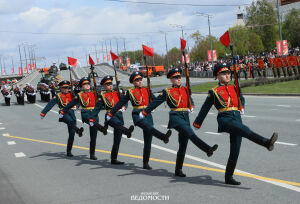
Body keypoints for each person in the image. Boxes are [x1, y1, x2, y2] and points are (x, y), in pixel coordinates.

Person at [193, 63, 278, 185]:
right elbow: (205, 108)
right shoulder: (214, 91)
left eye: (228, 73)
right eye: (223, 73)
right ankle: (266, 142)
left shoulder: (234, 87)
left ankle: (228, 177)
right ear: (217, 75)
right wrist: (197, 123)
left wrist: (241, 106)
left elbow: (241, 98)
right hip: (225, 120)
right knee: (245, 130)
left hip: (236, 118)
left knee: (235, 150)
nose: (227, 75)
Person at [139, 68, 218, 177]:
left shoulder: (185, 89)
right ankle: (207, 149)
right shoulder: (168, 91)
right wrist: (145, 112)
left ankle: (178, 169)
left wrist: (192, 106)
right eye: (175, 77)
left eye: (179, 77)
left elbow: (190, 99)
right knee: (190, 133)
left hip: (185, 117)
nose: (178, 79)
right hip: (175, 118)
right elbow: (156, 102)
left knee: (183, 144)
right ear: (171, 79)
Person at [107, 71, 171, 170]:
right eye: (137, 80)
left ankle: (146, 162)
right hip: (137, 115)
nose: (140, 81)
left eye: (140, 79)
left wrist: (153, 106)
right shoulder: (130, 92)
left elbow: (154, 100)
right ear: (133, 82)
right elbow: (120, 103)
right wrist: (111, 113)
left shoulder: (147, 90)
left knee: (148, 139)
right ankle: (162, 137)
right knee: (148, 128)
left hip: (147, 115)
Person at [60, 77, 107, 160]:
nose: (87, 85)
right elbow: (70, 104)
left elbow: (104, 100)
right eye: (85, 84)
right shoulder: (79, 95)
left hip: (94, 115)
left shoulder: (95, 93)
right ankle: (102, 128)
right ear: (82, 86)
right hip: (85, 114)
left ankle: (92, 154)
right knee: (92, 122)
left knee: (93, 136)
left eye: (88, 83)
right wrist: (63, 111)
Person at [91, 76, 134, 165]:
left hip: (119, 115)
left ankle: (113, 159)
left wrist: (124, 107)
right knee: (117, 124)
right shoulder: (102, 96)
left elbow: (125, 101)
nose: (110, 86)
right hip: (110, 116)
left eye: (110, 83)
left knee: (117, 140)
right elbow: (97, 108)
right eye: (107, 84)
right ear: (104, 86)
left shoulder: (117, 93)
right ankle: (127, 131)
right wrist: (92, 118)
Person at [40, 80, 84, 157]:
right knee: (70, 122)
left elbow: (79, 101)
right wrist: (43, 112)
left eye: (67, 87)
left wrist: (76, 106)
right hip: (63, 113)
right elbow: (50, 104)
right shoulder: (58, 96)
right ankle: (78, 130)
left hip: (71, 113)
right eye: (64, 88)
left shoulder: (72, 94)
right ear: (60, 88)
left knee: (71, 134)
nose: (66, 89)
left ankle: (69, 151)